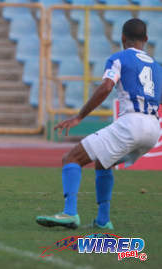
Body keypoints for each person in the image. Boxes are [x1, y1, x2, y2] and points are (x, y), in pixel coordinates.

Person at [36, 18, 162, 229]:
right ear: (146, 39)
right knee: (105, 162)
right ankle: (103, 220)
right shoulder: (158, 68)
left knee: (72, 157)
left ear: (122, 38)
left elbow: (105, 87)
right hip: (153, 129)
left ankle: (69, 213)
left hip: (131, 123)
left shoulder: (118, 58)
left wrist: (79, 117)